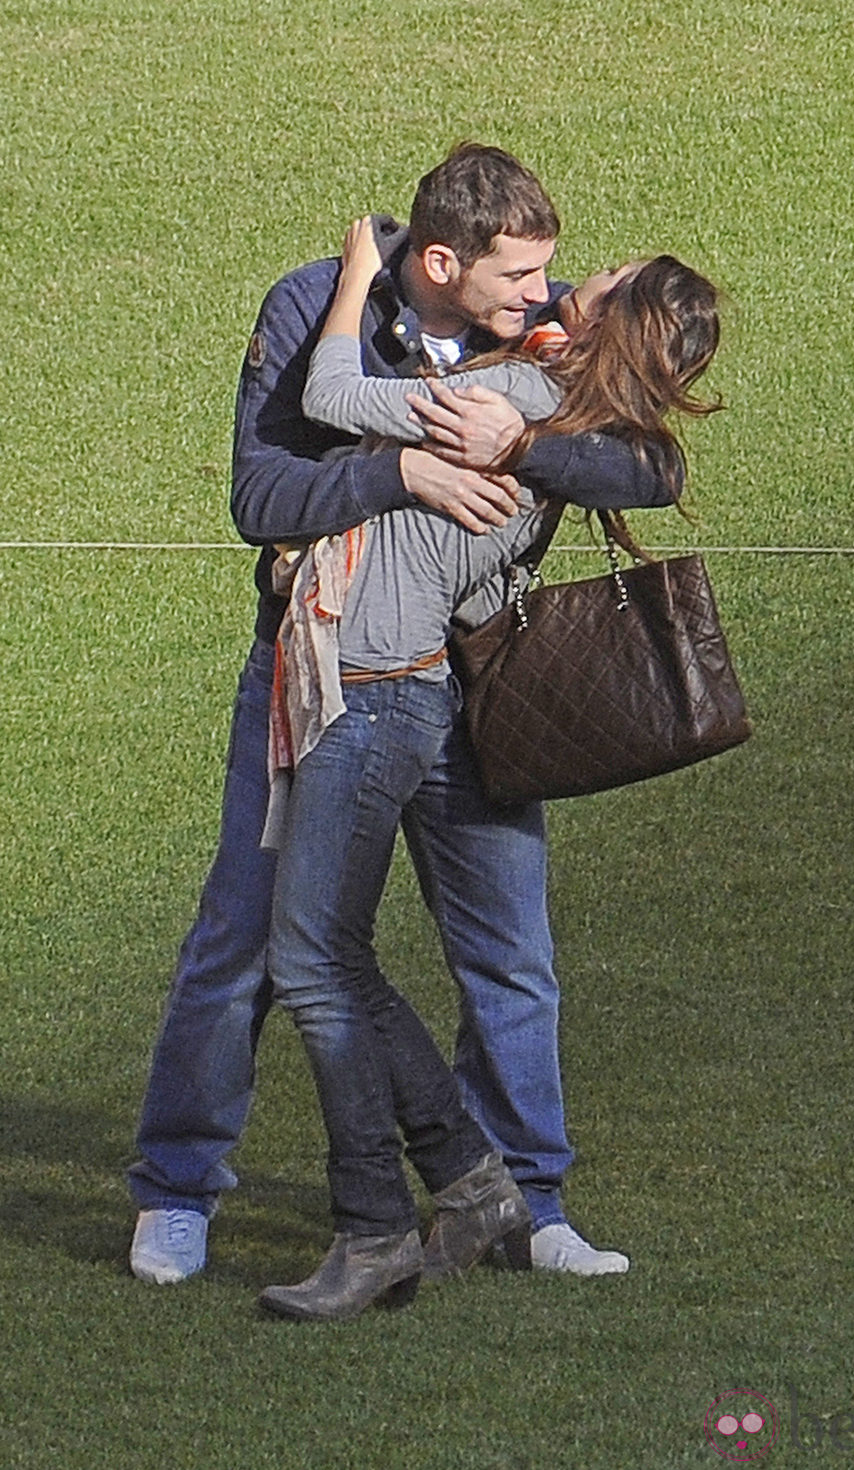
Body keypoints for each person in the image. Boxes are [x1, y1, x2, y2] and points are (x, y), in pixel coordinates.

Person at [128, 144, 677, 1285]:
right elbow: (258, 495)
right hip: (324, 676)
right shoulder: (308, 307)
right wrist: (404, 472)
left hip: (478, 691)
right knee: (244, 944)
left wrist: (520, 443)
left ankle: (525, 1201)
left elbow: (650, 470)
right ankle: (180, 1187)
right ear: (441, 260)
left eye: (548, 271)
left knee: (509, 955)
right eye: (519, 272)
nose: (541, 287)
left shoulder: (537, 342)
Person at [253, 223, 721, 1319]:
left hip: (383, 695)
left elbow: (329, 391)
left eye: (591, 281)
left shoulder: (507, 396)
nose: (569, 282)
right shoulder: (560, 408)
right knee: (325, 954)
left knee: (325, 960)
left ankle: (408, 1216)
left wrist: (361, 269)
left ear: (601, 319)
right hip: (414, 687)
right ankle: (475, 1192)